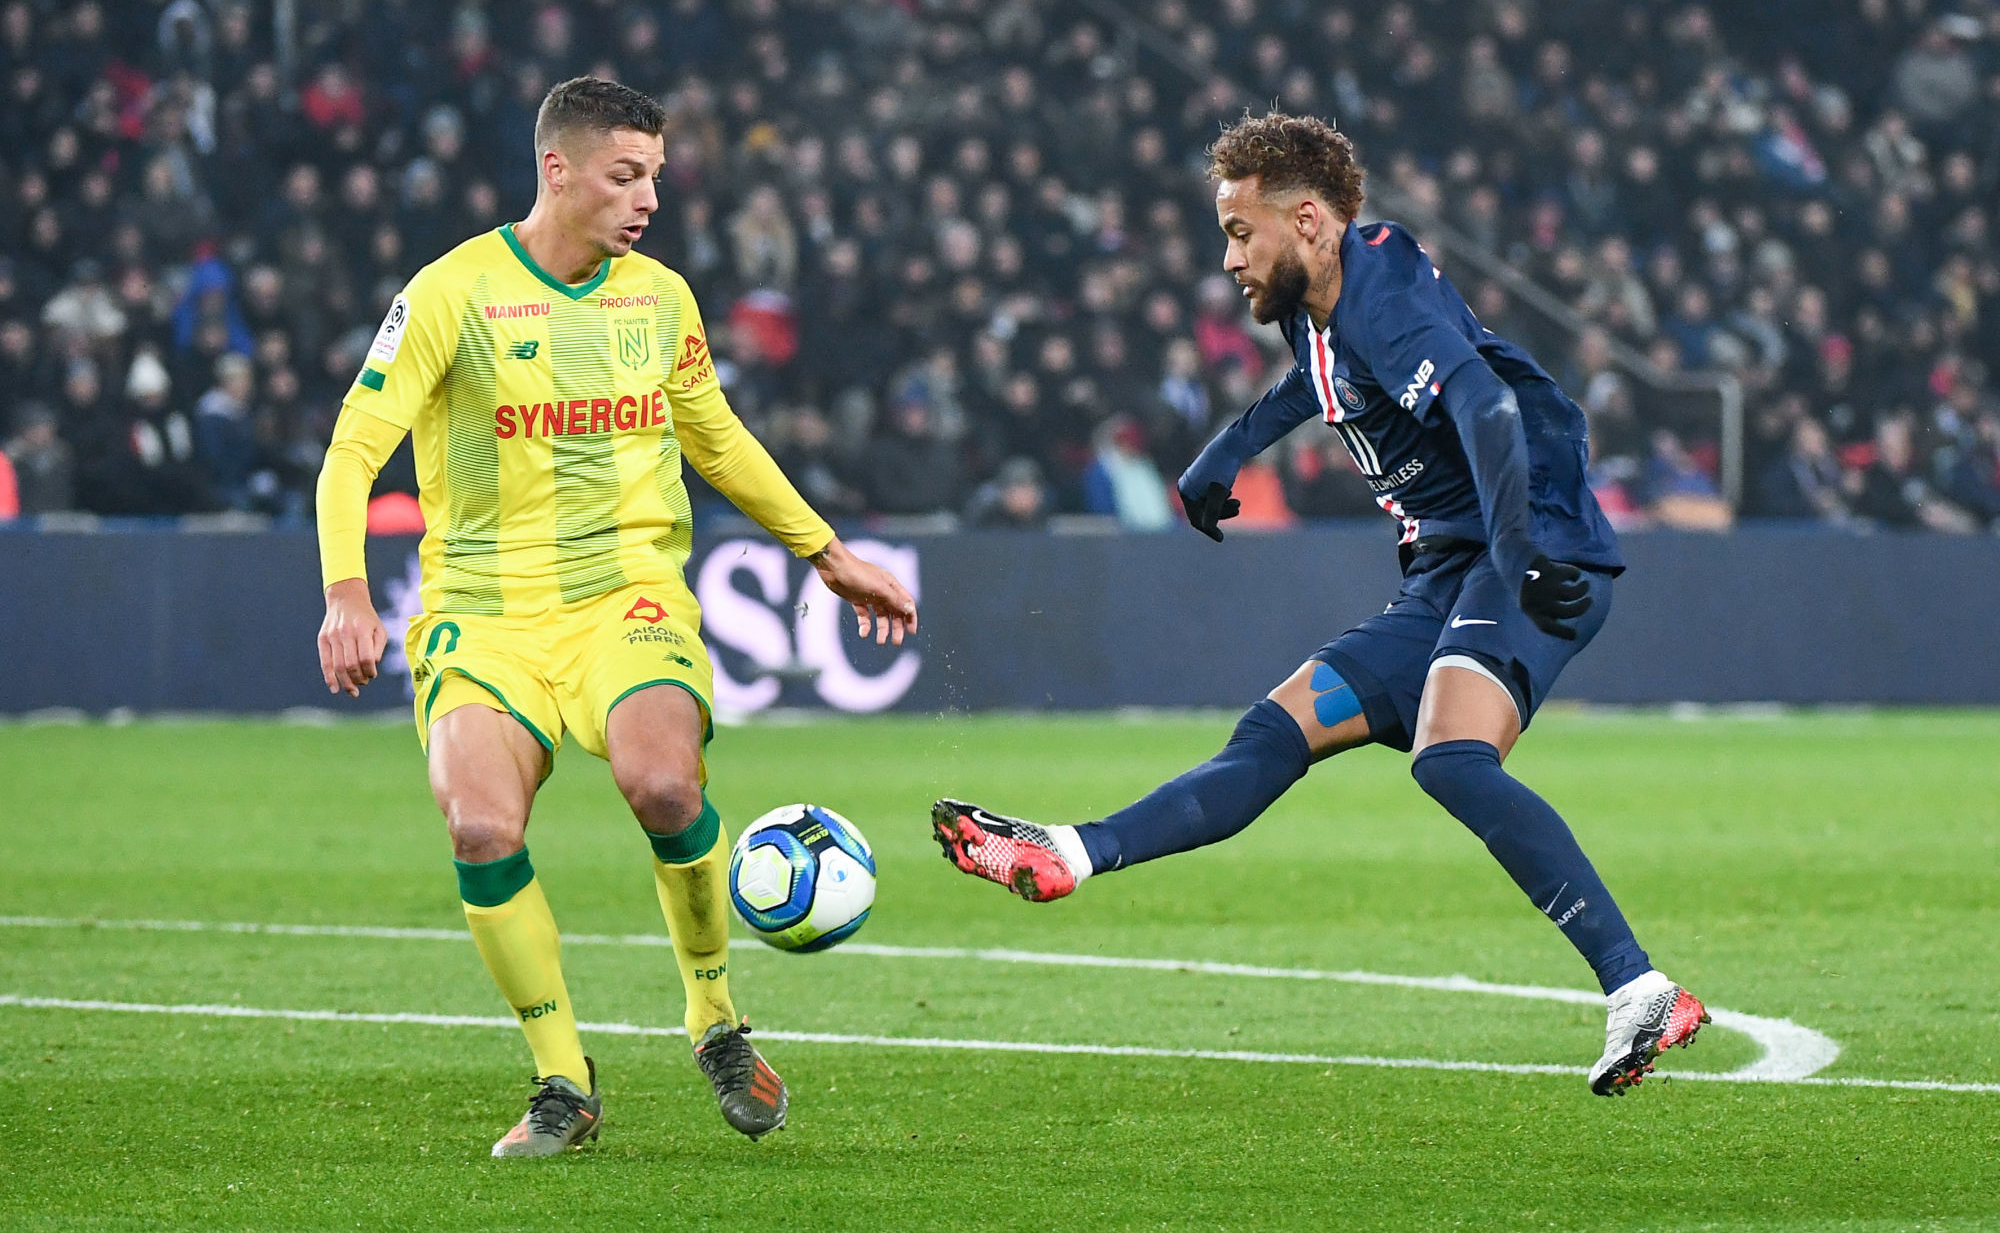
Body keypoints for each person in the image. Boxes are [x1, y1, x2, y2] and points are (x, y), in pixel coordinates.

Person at [933, 112, 1705, 1098]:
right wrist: (1229, 447)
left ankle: (1639, 989)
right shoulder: (1317, 306)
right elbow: (1317, 382)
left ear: (1308, 220)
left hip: (1525, 546)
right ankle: (1071, 851)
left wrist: (1514, 553)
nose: (1227, 258)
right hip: (1446, 570)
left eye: (1238, 232)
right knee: (1273, 730)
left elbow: (1486, 406)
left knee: (1450, 759)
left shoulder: (1380, 284)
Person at [314, 78, 917, 1157]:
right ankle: (561, 1079)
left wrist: (825, 552)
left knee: (661, 782)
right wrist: (346, 593)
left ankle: (715, 1017)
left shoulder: (661, 300)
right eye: (624, 175)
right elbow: (354, 448)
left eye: (654, 177)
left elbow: (716, 437)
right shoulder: (453, 292)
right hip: (483, 612)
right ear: (559, 170)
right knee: (481, 827)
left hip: (625, 595)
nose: (646, 198)